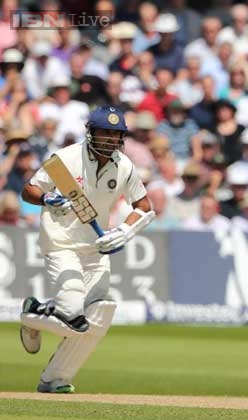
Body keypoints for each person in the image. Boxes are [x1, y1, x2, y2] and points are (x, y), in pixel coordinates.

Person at [18, 106, 155, 394]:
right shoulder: (66, 159)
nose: (109, 139)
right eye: (104, 132)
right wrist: (47, 198)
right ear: (91, 132)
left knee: (100, 313)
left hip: (95, 248)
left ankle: (55, 379)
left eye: (115, 134)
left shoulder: (124, 166)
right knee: (71, 313)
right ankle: (31, 315)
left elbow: (143, 207)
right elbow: (28, 189)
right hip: (61, 242)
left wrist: (122, 232)